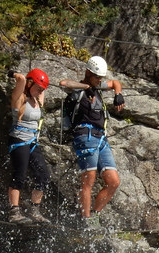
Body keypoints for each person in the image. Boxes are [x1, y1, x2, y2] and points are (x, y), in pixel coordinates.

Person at [59, 56, 125, 228]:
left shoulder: (99, 87)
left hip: (101, 137)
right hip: (84, 135)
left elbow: (115, 82)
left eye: (100, 78)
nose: (99, 80)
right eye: (96, 77)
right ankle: (85, 220)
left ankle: (95, 215)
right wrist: (86, 87)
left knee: (113, 182)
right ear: (88, 73)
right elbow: (63, 83)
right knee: (89, 180)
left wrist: (118, 94)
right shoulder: (78, 90)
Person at [7, 68, 51, 224]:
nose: (40, 92)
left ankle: (34, 209)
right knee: (20, 175)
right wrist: (14, 74)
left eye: (42, 90)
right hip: (18, 140)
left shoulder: (38, 99)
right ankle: (14, 212)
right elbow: (22, 80)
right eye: (38, 88)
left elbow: (42, 85)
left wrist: (41, 85)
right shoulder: (19, 99)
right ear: (30, 83)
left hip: (32, 142)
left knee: (44, 176)